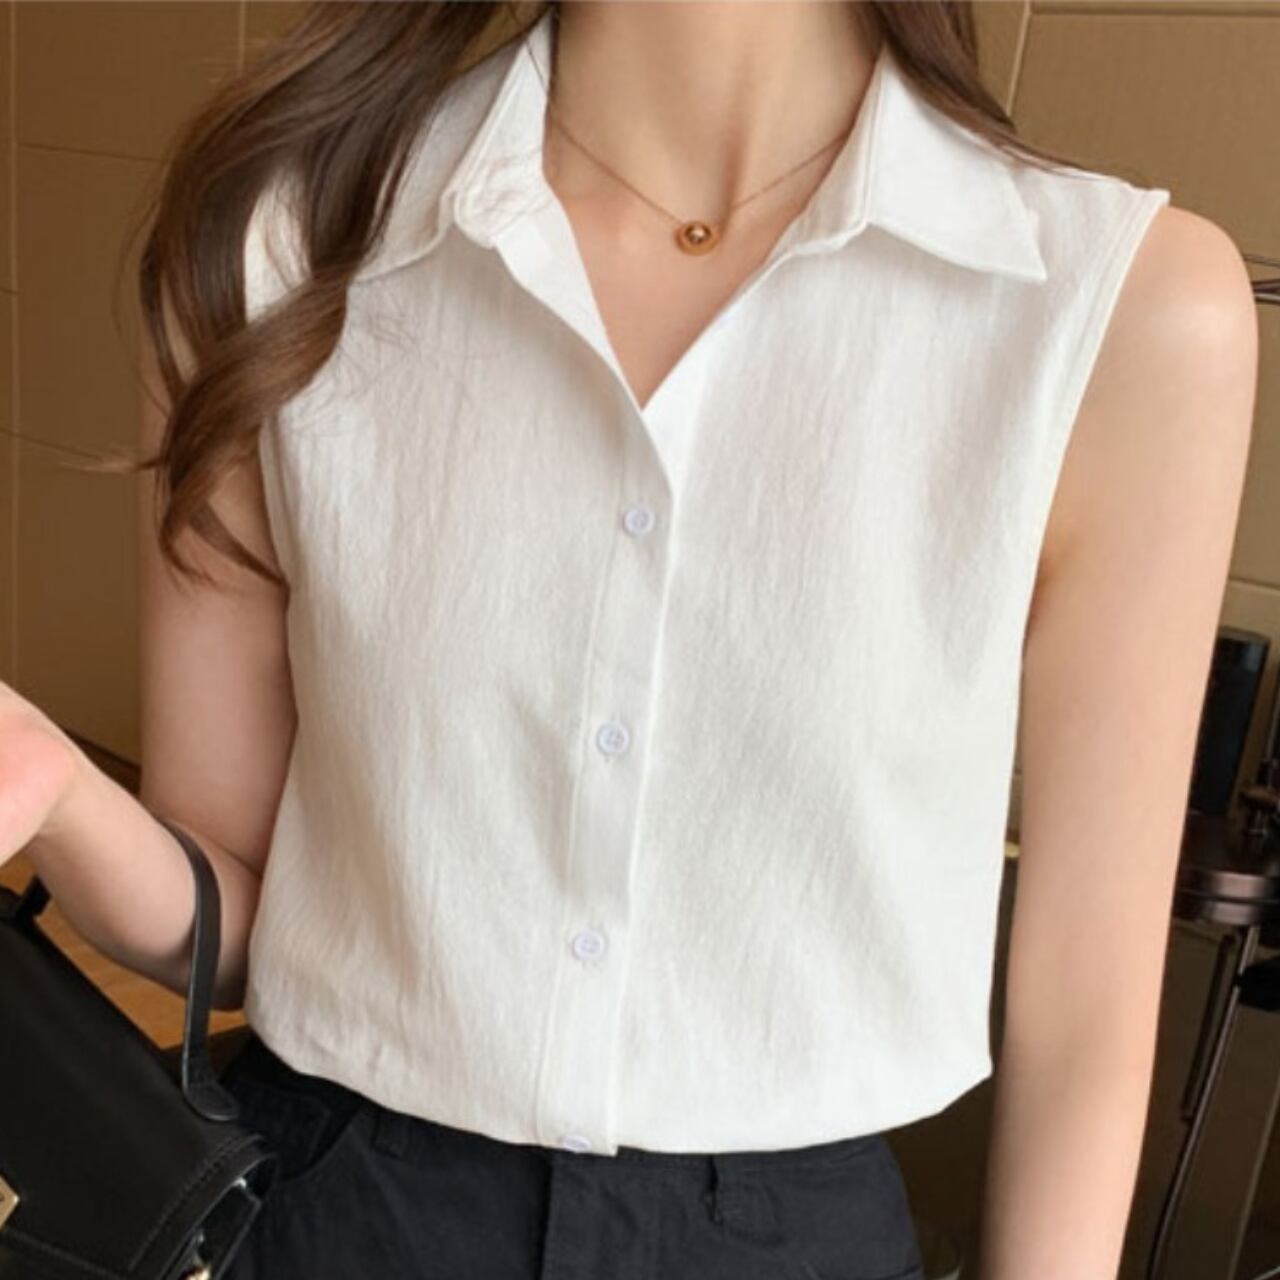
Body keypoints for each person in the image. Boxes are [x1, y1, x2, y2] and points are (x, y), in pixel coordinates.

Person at [1, 2, 1257, 1277]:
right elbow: (234, 925)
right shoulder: (275, 243)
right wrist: (49, 784)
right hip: (333, 1209)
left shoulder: (1117, 308)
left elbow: (1084, 1010)